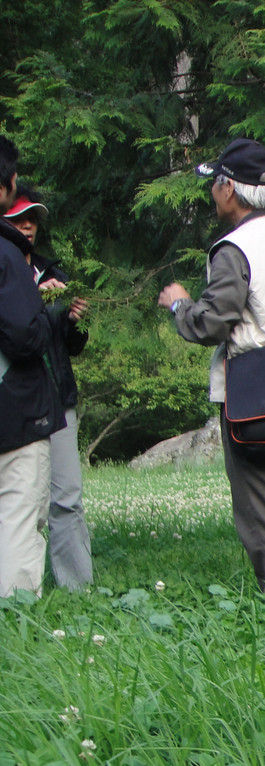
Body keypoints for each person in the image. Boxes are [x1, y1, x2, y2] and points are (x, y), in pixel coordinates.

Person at [157, 137, 265, 595]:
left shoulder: (234, 248)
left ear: (229, 188)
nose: (212, 192)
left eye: (214, 183)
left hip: (255, 400)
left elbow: (212, 323)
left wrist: (179, 305)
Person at [5, 187, 92, 589]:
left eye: (33, 219)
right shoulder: (7, 270)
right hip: (15, 400)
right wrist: (33, 302)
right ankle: (16, 590)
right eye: (19, 218)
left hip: (57, 396)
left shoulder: (53, 272)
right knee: (21, 499)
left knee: (66, 496)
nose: (28, 226)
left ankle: (77, 587)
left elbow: (71, 346)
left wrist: (73, 320)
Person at [0, 136, 64, 598]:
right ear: (9, 182)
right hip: (14, 411)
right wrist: (44, 312)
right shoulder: (6, 254)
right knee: (20, 517)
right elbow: (25, 336)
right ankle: (15, 619)